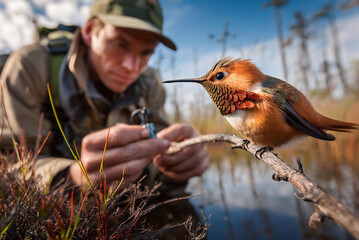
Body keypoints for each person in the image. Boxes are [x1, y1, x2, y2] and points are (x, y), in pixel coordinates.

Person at [0, 0, 209, 195]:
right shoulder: (30, 67)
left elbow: (162, 155)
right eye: (121, 44)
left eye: (145, 53)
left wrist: (181, 160)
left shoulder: (151, 82)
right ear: (90, 31)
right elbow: (10, 165)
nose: (131, 67)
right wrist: (72, 177)